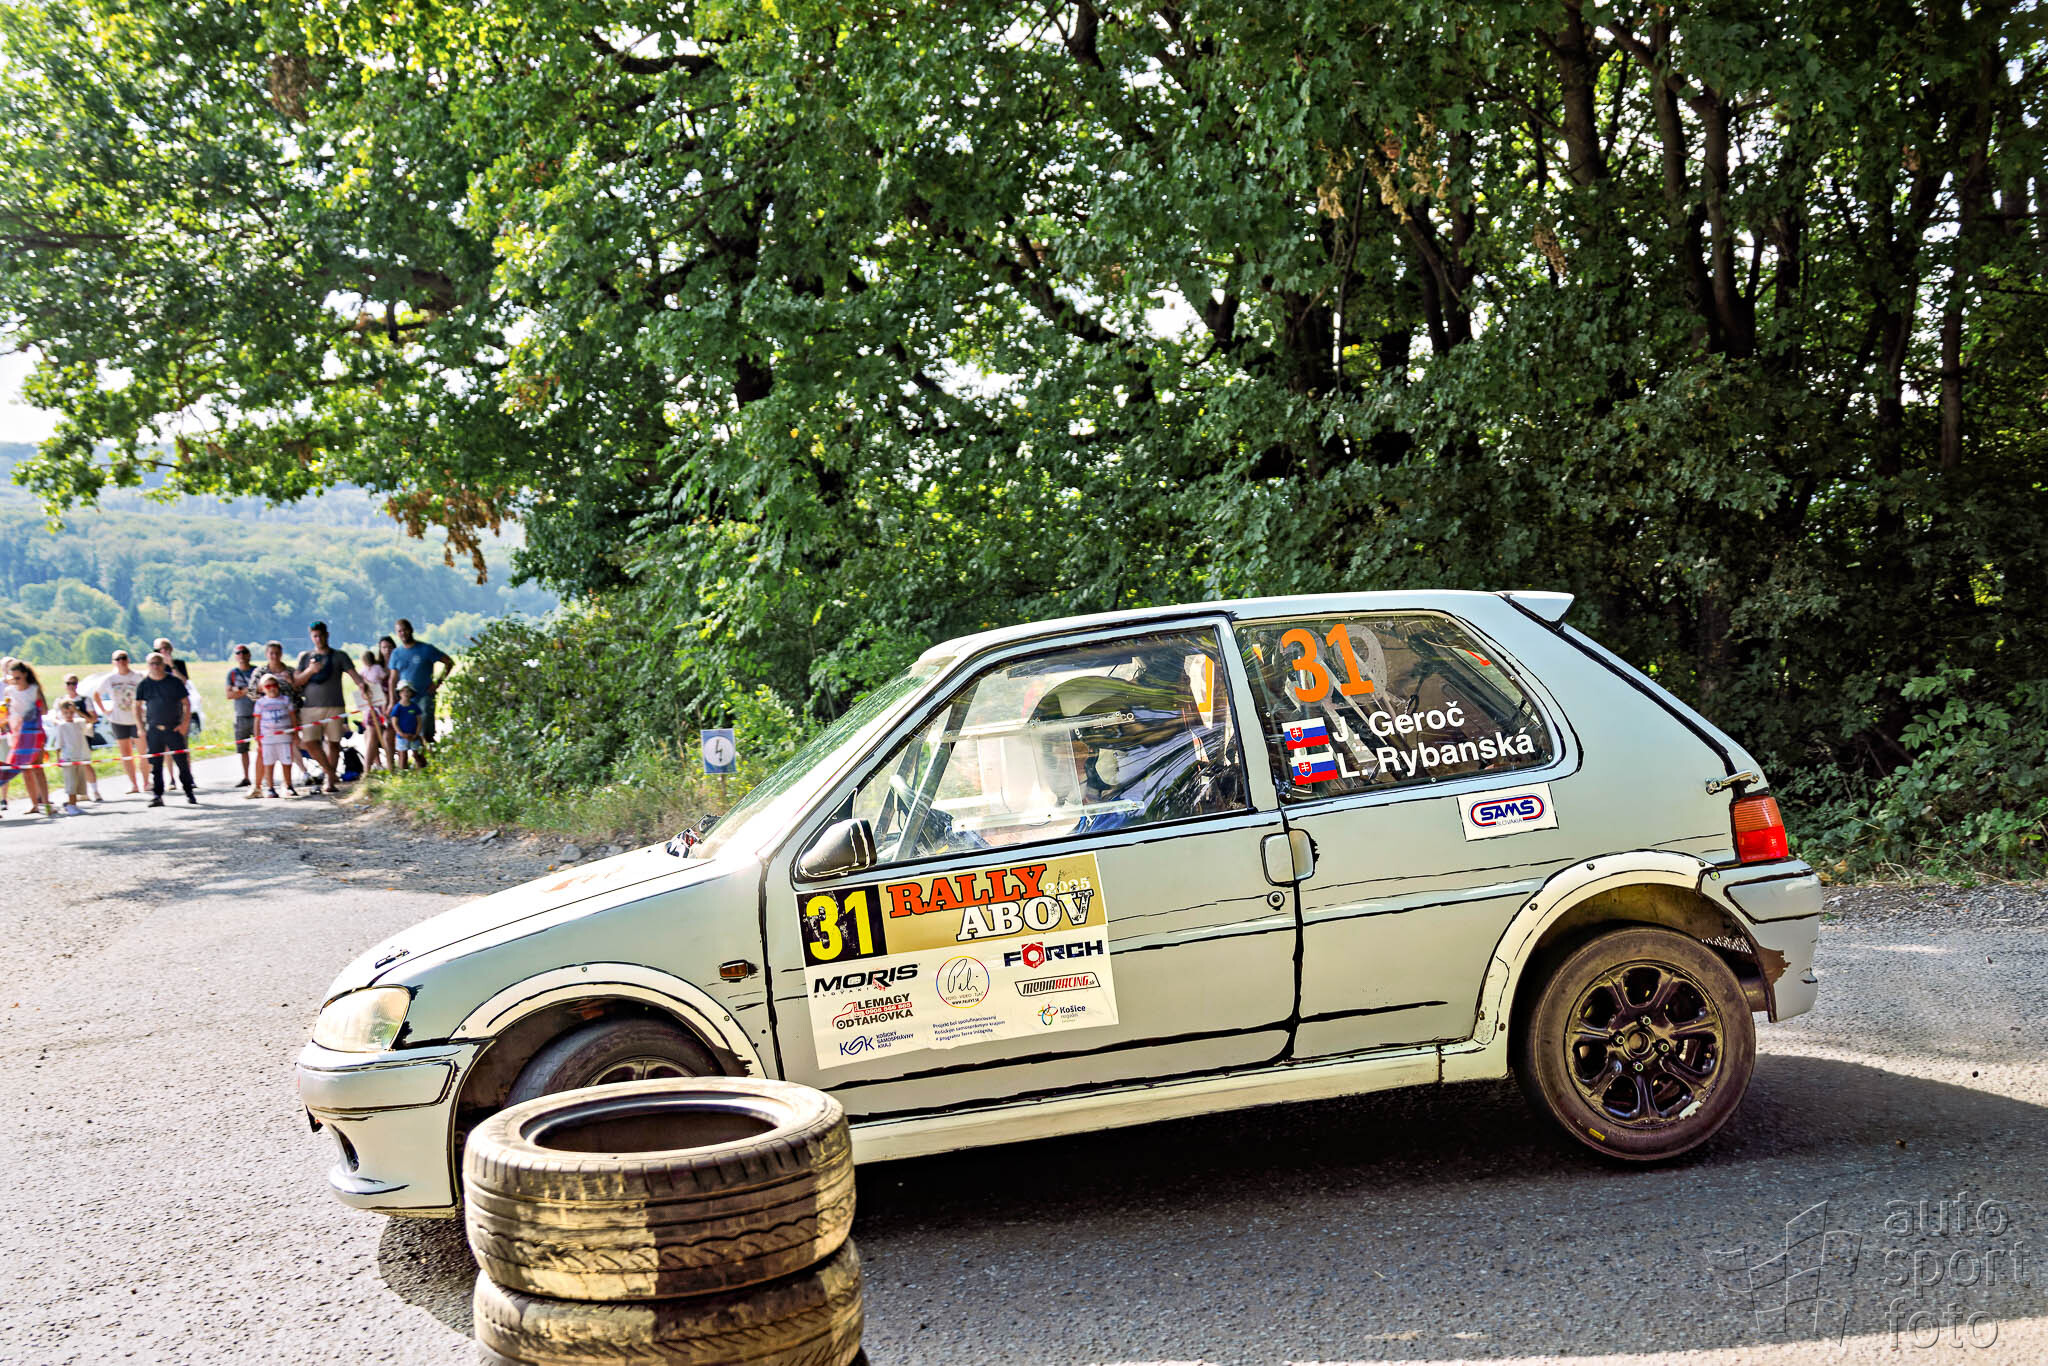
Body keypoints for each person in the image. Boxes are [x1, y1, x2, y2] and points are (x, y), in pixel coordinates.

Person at [292, 621, 369, 795]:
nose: (318, 639)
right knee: (310, 742)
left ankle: (330, 781)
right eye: (315, 636)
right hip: (310, 708)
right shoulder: (305, 657)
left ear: (327, 635)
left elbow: (354, 675)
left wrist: (362, 686)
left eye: (321, 635)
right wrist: (310, 670)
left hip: (335, 706)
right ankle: (330, 772)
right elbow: (296, 682)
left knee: (334, 742)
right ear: (311, 637)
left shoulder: (339, 656)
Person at [134, 652, 197, 806]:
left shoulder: (174, 682)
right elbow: (137, 706)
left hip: (174, 729)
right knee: (155, 765)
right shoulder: (144, 684)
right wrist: (140, 727)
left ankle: (189, 792)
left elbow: (186, 703)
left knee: (182, 762)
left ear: (163, 665)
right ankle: (157, 795)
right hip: (154, 730)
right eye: (152, 664)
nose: (155, 666)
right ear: (148, 665)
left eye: (158, 663)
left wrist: (184, 724)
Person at [388, 619, 454, 746]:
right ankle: (418, 756)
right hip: (406, 699)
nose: (403, 633)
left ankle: (430, 752)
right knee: (409, 731)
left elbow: (449, 662)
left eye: (405, 630)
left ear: (411, 630)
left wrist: (437, 683)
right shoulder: (396, 653)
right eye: (399, 631)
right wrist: (392, 701)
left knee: (425, 730)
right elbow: (393, 679)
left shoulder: (426, 649)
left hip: (425, 695)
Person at [1, 659, 53, 817]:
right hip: (17, 734)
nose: (16, 681)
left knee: (37, 769)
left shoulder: (34, 689)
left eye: (18, 677)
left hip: (34, 733)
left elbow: (44, 710)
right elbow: (6, 712)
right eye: (13, 677)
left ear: (24, 675)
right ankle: (34, 805)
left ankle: (46, 804)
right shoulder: (9, 691)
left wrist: (32, 712)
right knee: (25, 770)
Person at [93, 649, 147, 793]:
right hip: (118, 720)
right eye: (118, 659)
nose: (121, 661)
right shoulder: (109, 679)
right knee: (126, 754)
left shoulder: (137, 677)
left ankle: (147, 782)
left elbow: (147, 692)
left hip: (136, 719)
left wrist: (143, 707)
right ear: (113, 662)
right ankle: (133, 784)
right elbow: (96, 694)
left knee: (143, 752)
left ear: (128, 660)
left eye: (123, 658)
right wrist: (105, 711)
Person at [249, 674, 299, 798]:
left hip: (284, 738)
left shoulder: (285, 700)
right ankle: (270, 788)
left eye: (274, 685)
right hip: (267, 739)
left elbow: (293, 717)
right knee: (268, 763)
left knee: (286, 762)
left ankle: (289, 785)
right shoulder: (261, 703)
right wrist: (257, 737)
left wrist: (295, 734)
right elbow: (257, 721)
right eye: (268, 686)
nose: (272, 688)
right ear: (262, 689)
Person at [58, 674, 104, 802]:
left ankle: (95, 791)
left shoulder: (84, 700)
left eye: (74, 683)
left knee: (85, 763)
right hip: (67, 737)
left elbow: (93, 719)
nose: (71, 686)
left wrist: (76, 711)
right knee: (72, 767)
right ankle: (79, 793)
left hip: (82, 735)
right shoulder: (60, 700)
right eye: (68, 683)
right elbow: (56, 718)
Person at [48, 699, 92, 815]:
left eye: (71, 712)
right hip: (68, 758)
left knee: (79, 782)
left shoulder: (79, 722)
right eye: (66, 713)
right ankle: (71, 805)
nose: (69, 715)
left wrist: (77, 711)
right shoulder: (61, 726)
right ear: (62, 713)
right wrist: (58, 758)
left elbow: (90, 721)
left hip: (80, 756)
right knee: (71, 782)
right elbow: (59, 743)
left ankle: (73, 804)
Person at [355, 640, 393, 773]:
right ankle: (372, 767)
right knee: (370, 733)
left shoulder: (376, 668)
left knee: (381, 734)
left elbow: (384, 678)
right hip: (373, 703)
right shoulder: (369, 669)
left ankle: (380, 767)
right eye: (384, 647)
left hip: (383, 702)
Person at [226, 644, 258, 787]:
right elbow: (229, 694)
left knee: (262, 747)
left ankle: (262, 776)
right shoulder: (232, 674)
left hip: (257, 715)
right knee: (243, 749)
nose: (242, 655)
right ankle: (246, 777)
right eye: (238, 653)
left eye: (244, 652)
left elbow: (260, 690)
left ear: (249, 655)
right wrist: (247, 690)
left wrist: (239, 690)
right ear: (235, 656)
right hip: (241, 716)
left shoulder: (257, 671)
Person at [390, 684, 425, 770]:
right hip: (402, 737)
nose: (406, 693)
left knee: (417, 754)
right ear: (399, 693)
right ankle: (403, 772)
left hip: (414, 735)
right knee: (403, 756)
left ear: (412, 693)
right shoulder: (397, 708)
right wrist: (401, 734)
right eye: (403, 691)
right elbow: (394, 723)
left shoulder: (414, 706)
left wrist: (416, 734)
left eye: (408, 691)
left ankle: (421, 770)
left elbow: (419, 721)